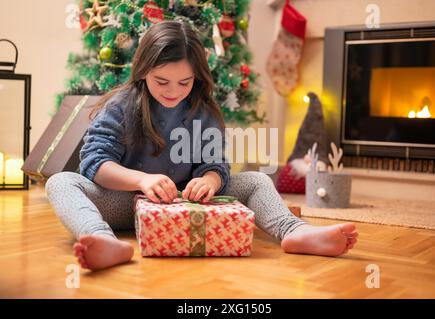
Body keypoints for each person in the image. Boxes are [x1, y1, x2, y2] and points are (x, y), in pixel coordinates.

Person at [45, 21, 358, 271]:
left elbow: (216, 165)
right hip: (123, 202)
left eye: (185, 82)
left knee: (256, 179)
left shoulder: (202, 110)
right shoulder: (121, 105)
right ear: (143, 72)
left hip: (184, 205)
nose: (173, 92)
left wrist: (208, 181)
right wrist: (141, 180)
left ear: (197, 77)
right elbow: (94, 162)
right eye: (161, 81)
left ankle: (295, 232)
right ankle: (102, 240)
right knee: (61, 182)